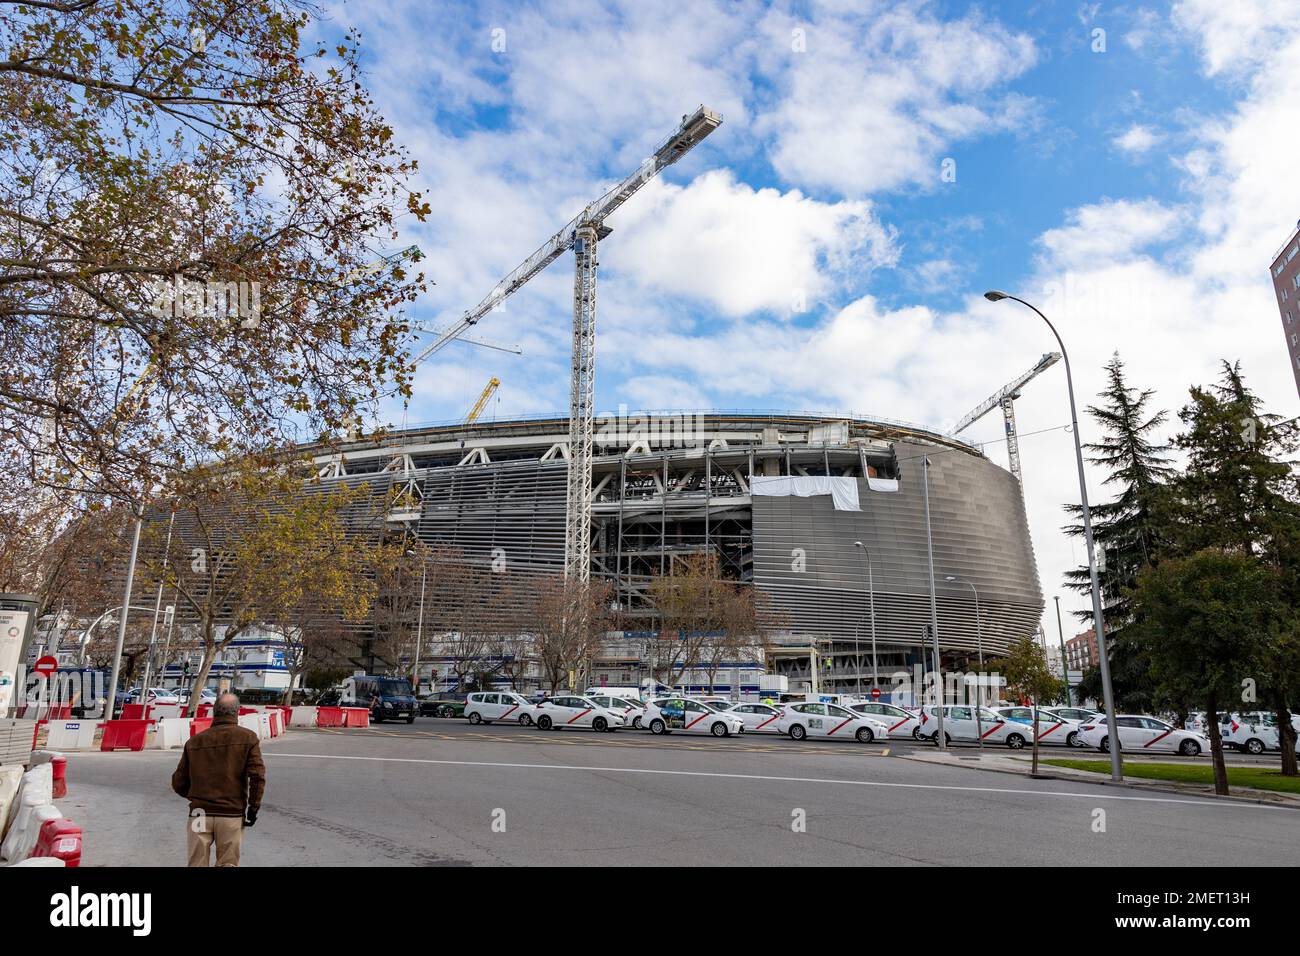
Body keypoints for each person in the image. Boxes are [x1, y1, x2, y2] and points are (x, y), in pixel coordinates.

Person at [171, 691, 265, 867]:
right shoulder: (248, 738)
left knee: (196, 863)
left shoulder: (194, 742)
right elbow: (257, 777)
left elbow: (178, 782)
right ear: (238, 712)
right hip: (230, 814)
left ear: (214, 711)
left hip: (199, 814)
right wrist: (253, 808)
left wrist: (196, 797)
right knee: (228, 864)